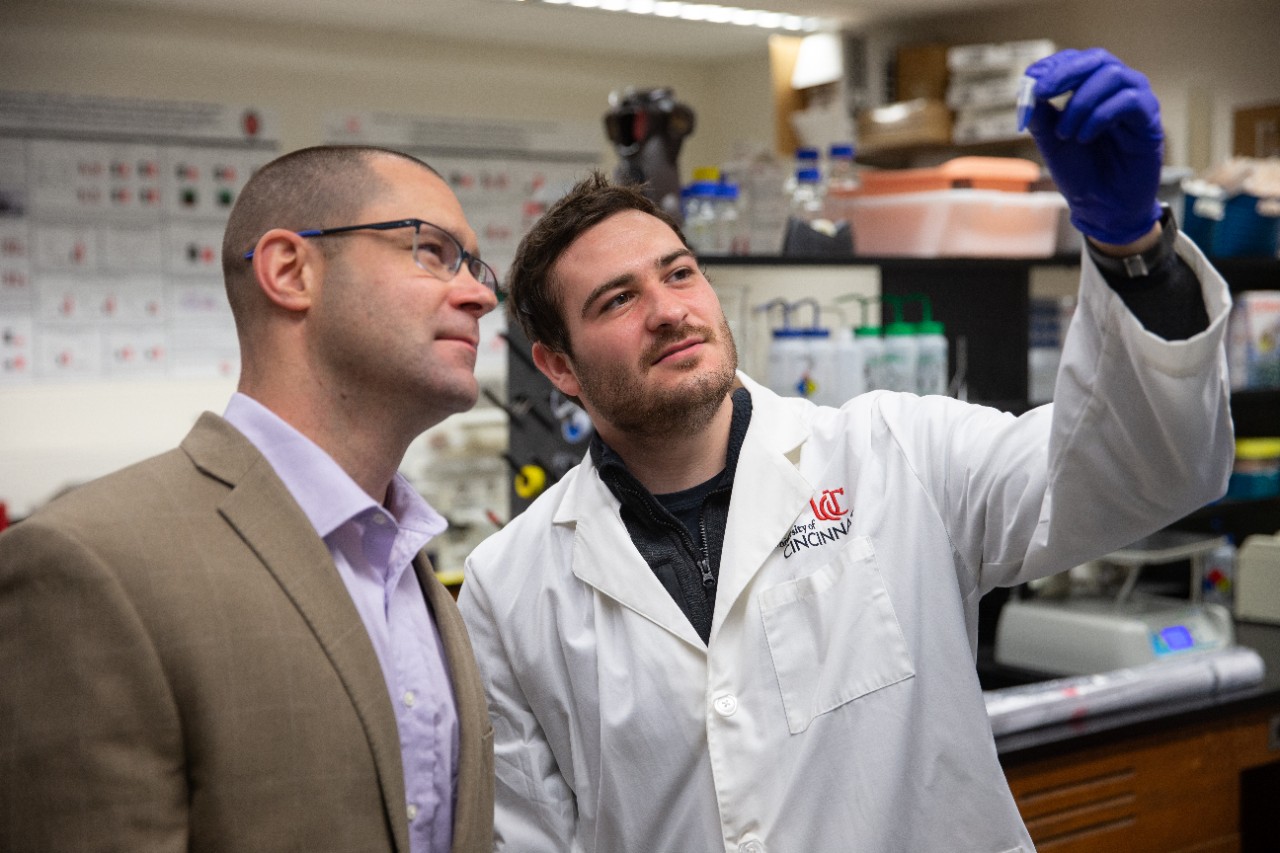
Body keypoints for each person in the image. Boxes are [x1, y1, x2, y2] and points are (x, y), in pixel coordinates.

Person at [457, 49, 1235, 852]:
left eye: (679, 273)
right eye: (618, 299)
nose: (668, 310)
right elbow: (526, 837)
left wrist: (1133, 255)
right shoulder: (508, 588)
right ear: (557, 364)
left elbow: (1139, 471)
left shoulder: (898, 452)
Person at [0, 145, 497, 853]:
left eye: (476, 267)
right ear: (291, 271)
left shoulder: (413, 570)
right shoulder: (88, 562)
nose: (479, 294)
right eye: (433, 250)